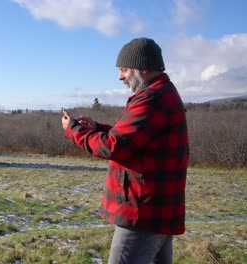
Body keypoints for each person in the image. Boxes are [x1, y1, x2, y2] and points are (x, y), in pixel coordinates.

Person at [61, 37, 189, 264]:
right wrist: (97, 128)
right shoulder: (160, 93)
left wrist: (73, 130)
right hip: (155, 210)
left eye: (124, 70)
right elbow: (136, 139)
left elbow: (113, 146)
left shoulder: (152, 98)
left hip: (142, 213)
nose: (120, 76)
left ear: (143, 68)